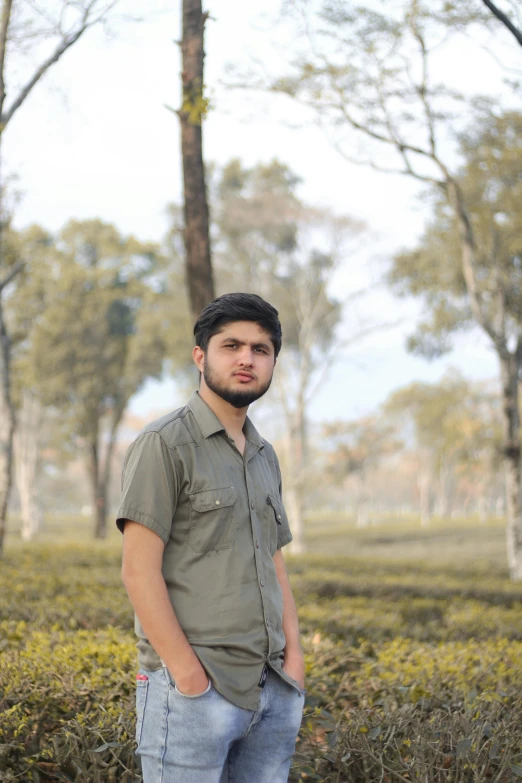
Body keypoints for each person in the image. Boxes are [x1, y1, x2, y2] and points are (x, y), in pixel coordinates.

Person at [116, 293, 305, 783]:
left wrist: (296, 666)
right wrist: (188, 678)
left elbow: (274, 561)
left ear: (272, 363)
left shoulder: (264, 454)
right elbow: (139, 570)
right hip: (195, 694)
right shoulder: (163, 445)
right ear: (200, 356)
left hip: (272, 690)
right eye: (232, 345)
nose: (247, 358)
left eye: (261, 350)